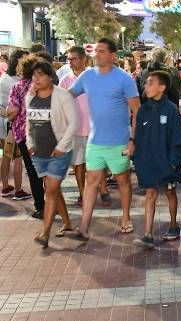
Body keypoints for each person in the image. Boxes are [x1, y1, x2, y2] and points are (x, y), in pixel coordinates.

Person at [68, 37, 141, 239]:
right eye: (96, 51)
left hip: (119, 141)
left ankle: (126, 218)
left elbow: (136, 110)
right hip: (95, 141)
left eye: (101, 51)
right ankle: (84, 227)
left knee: (123, 180)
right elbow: (69, 95)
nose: (96, 54)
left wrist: (133, 139)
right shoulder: (87, 76)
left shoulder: (124, 78)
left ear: (112, 55)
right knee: (91, 182)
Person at [131, 71, 181, 249]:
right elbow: (138, 136)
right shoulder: (143, 111)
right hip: (149, 162)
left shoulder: (171, 110)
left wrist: (173, 161)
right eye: (146, 83)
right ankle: (147, 234)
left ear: (162, 87)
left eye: (150, 83)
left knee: (170, 193)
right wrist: (136, 155)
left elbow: (179, 138)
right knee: (150, 193)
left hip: (167, 163)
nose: (145, 87)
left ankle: (173, 225)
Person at [26, 61, 77, 248]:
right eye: (34, 75)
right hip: (39, 153)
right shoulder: (30, 97)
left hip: (59, 152)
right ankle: (68, 223)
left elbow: (73, 123)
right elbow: (28, 123)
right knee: (53, 189)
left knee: (50, 190)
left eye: (40, 75)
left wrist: (62, 146)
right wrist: (30, 143)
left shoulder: (62, 96)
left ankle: (45, 232)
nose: (36, 78)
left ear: (50, 77)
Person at [6, 53, 45, 216]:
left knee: (33, 171)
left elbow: (11, 112)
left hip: (24, 136)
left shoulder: (18, 87)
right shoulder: (43, 85)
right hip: (45, 133)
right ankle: (54, 204)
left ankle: (40, 207)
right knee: (47, 171)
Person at [58, 46, 93, 207]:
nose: (70, 62)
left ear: (83, 59)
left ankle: (98, 189)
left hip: (95, 128)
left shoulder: (94, 76)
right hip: (76, 129)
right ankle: (82, 193)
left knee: (94, 164)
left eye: (73, 59)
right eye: (69, 59)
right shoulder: (65, 80)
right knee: (78, 164)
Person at [0, 49, 26, 200]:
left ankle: (5, 186)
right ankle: (18, 190)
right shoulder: (16, 81)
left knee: (6, 155)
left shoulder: (4, 77)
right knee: (17, 156)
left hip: (2, 119)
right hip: (11, 121)